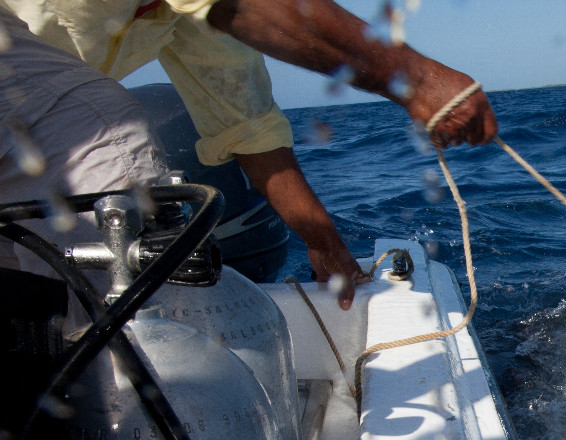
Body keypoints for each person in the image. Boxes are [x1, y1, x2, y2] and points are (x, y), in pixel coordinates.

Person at [0, 0, 497, 308]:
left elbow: (249, 126)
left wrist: (321, 239)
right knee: (103, 128)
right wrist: (416, 80)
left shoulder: (186, 16)